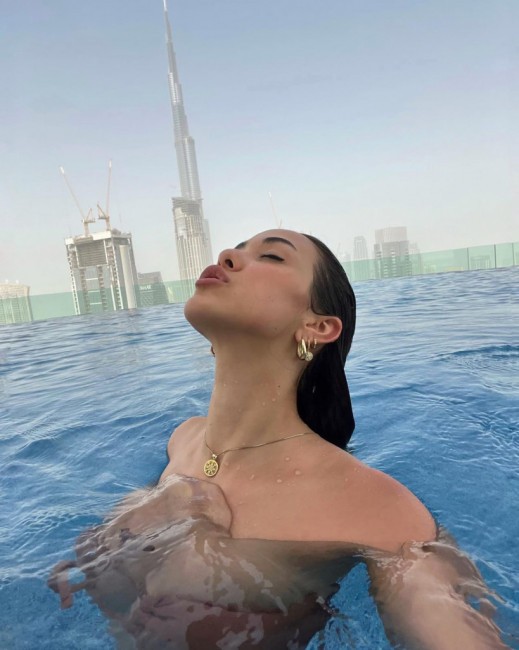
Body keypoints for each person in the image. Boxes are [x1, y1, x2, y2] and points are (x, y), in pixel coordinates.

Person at [49, 229, 507, 649]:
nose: (226, 256)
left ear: (318, 327)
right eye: (235, 249)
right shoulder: (182, 440)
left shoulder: (375, 507)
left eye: (270, 256)